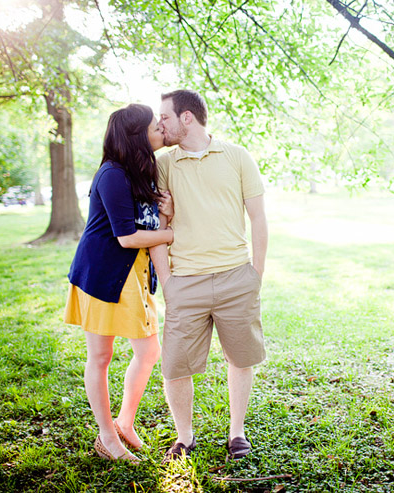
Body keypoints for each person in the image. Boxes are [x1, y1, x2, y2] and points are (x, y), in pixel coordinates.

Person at [151, 89, 268, 461]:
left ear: (187, 118)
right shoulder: (163, 164)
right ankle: (184, 437)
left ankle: (237, 433)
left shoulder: (237, 156)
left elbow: (259, 218)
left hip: (237, 277)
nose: (160, 124)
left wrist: (256, 274)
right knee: (175, 366)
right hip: (185, 282)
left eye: (165, 117)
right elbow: (158, 226)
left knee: (240, 358)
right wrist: (168, 283)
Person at [64, 104, 173, 463]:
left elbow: (146, 224)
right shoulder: (112, 174)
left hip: (134, 274)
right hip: (103, 274)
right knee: (100, 355)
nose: (161, 127)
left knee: (148, 351)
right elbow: (126, 237)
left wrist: (163, 215)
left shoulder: (141, 172)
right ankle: (107, 437)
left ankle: (125, 423)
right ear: (136, 134)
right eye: (155, 124)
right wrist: (169, 234)